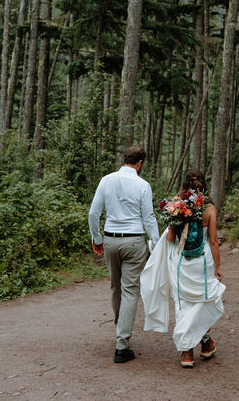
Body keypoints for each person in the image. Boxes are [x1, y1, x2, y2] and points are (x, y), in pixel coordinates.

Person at [141, 169, 225, 368]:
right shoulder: (210, 208)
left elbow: (170, 238)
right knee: (204, 300)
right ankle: (205, 343)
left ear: (185, 183)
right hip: (203, 263)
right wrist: (218, 267)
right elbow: (213, 241)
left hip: (181, 263)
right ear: (203, 184)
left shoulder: (175, 205)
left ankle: (186, 352)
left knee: (183, 304)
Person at [88, 146, 160, 363]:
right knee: (130, 291)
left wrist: (97, 238)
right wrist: (156, 245)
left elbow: (93, 213)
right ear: (139, 163)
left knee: (115, 287)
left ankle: (121, 328)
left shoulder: (106, 180)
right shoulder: (142, 185)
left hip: (110, 239)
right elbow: (148, 218)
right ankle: (122, 344)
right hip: (134, 241)